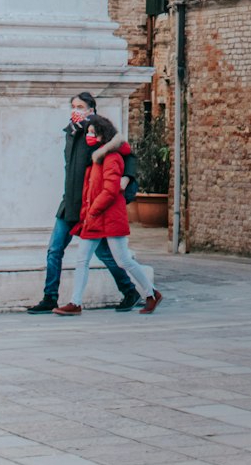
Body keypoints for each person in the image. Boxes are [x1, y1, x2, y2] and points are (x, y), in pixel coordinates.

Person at [27, 92, 139, 314]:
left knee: (104, 253)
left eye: (80, 106)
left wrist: (127, 177)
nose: (75, 110)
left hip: (89, 204)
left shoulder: (97, 130)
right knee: (55, 249)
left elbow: (126, 153)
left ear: (91, 110)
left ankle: (130, 291)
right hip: (69, 203)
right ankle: (50, 297)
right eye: (73, 106)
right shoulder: (71, 131)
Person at [54, 114, 161, 316]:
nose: (90, 136)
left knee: (123, 260)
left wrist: (93, 210)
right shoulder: (97, 158)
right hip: (94, 218)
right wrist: (89, 213)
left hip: (109, 216)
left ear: (103, 135)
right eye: (88, 132)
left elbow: (110, 190)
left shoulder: (112, 158)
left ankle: (151, 293)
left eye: (93, 133)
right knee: (82, 259)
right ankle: (75, 302)